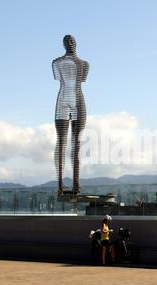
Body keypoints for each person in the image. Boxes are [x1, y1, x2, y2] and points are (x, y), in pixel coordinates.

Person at [52, 35, 90, 194]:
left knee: (77, 143)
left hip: (77, 100)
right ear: (63, 44)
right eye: (67, 42)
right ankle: (60, 185)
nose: (70, 43)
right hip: (64, 100)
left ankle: (76, 185)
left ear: (76, 43)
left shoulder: (85, 64)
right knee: (61, 143)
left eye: (72, 41)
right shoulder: (56, 62)